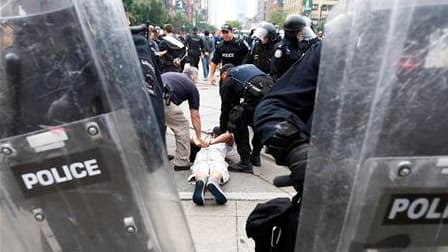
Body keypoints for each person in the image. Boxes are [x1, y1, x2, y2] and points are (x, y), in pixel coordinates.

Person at [254, 41, 322, 194]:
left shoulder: (301, 48)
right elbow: (273, 106)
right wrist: (298, 150)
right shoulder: (337, 50)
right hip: (324, 179)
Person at [219, 63, 274, 173]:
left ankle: (245, 163)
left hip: (256, 92)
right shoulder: (247, 68)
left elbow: (226, 108)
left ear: (224, 73)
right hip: (271, 89)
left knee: (238, 120)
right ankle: (255, 156)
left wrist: (224, 130)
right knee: (258, 123)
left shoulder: (230, 78)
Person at [162, 66, 204, 170]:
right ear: (193, 77)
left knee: (161, 125)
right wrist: (198, 137)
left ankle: (161, 156)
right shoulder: (191, 86)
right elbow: (195, 116)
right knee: (182, 126)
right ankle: (182, 161)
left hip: (150, 96)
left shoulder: (172, 75)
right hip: (164, 99)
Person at [188, 127, 234, 205]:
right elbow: (229, 136)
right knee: (218, 170)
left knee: (201, 170)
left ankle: (201, 181)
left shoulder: (212, 141)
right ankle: (213, 181)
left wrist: (206, 142)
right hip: (216, 156)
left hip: (202, 156)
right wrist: (198, 142)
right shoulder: (223, 145)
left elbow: (229, 136)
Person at [270, 15, 308, 81]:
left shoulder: (301, 46)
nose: (302, 34)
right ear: (292, 32)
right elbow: (275, 74)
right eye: (300, 31)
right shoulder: (281, 49)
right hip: (285, 86)